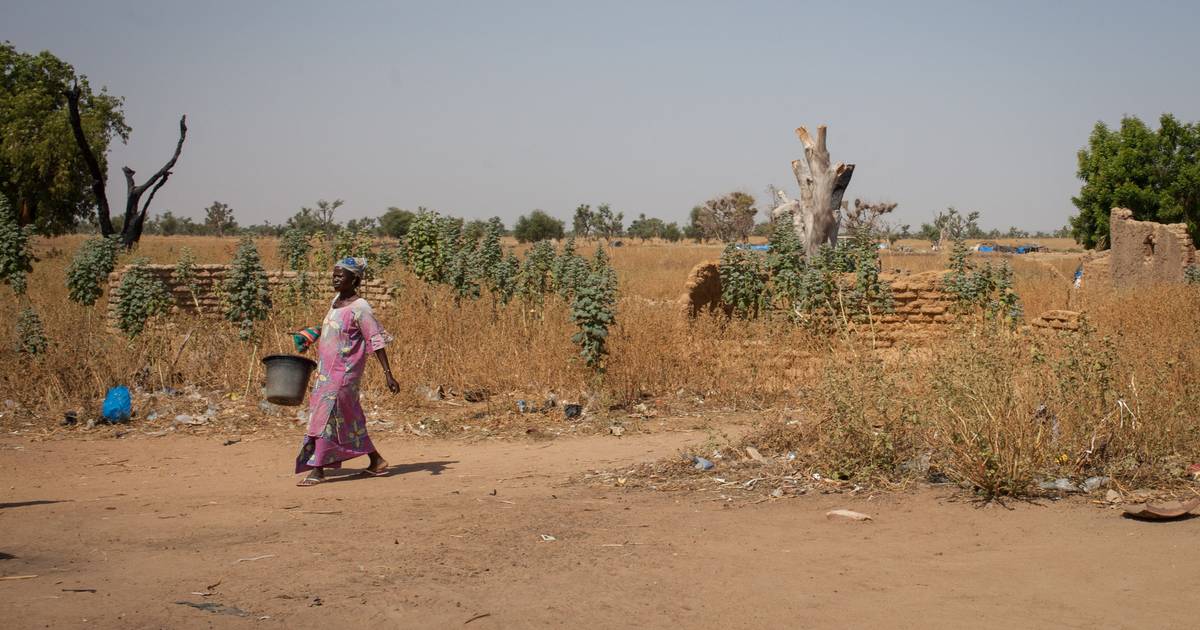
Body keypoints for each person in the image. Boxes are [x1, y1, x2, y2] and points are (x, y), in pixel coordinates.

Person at [294, 257, 400, 486]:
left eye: (341, 276)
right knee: (347, 417)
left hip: (344, 373)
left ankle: (318, 469)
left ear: (355, 280)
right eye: (334, 275)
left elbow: (375, 340)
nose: (335, 279)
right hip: (326, 372)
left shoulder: (360, 307)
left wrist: (388, 374)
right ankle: (377, 460)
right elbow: (334, 327)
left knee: (325, 415)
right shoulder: (336, 301)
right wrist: (311, 333)